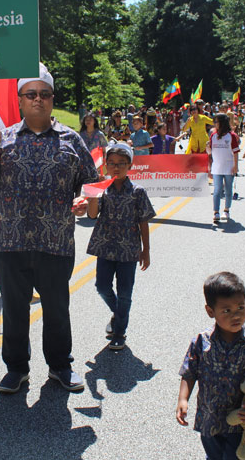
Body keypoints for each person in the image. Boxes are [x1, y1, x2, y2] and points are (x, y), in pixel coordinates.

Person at [0, 63, 97, 394]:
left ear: (52, 98)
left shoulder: (71, 140)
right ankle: (16, 369)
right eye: (31, 94)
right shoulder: (4, 138)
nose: (38, 100)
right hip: (11, 243)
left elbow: (93, 185)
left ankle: (60, 366)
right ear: (20, 100)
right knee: (14, 312)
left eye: (44, 94)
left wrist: (87, 203)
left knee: (57, 309)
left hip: (56, 243)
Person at [176, 272, 245, 460]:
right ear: (210, 311)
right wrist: (183, 399)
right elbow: (189, 372)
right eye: (226, 310)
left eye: (240, 307)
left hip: (239, 422)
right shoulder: (201, 342)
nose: (236, 315)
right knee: (213, 456)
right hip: (208, 419)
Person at [86, 143, 155, 350]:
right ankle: (118, 313)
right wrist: (92, 195)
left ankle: (119, 332)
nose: (116, 168)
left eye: (121, 164)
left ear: (129, 165)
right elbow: (91, 215)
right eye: (112, 164)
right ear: (106, 165)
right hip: (105, 248)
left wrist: (146, 251)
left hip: (129, 250)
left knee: (125, 293)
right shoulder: (102, 189)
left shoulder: (137, 191)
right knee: (102, 287)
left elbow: (144, 221)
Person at [207, 114, 240, 223]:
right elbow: (210, 152)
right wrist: (209, 166)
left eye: (216, 122)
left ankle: (226, 210)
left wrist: (236, 166)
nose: (215, 124)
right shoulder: (213, 135)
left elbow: (235, 152)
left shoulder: (231, 135)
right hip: (217, 167)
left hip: (228, 166)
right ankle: (216, 212)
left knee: (228, 190)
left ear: (222, 123)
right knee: (217, 190)